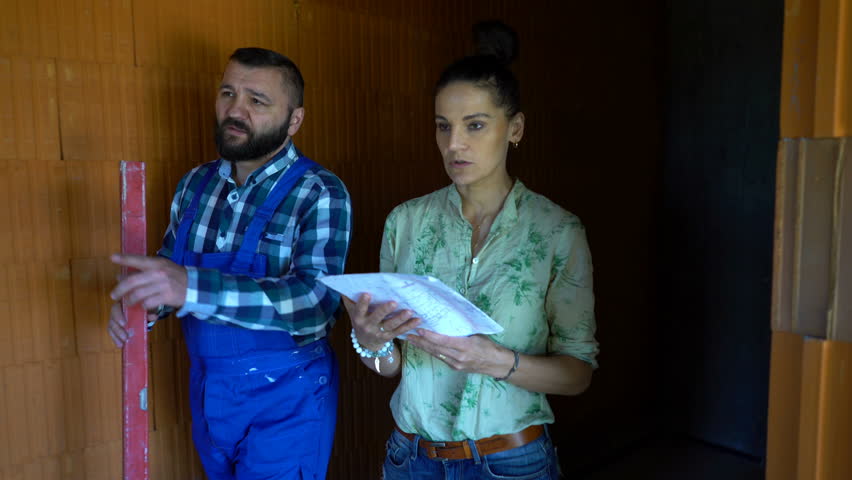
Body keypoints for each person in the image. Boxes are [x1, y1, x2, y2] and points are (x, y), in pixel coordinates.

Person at [343, 21, 598, 479]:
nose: (453, 144)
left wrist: (496, 362)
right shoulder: (405, 222)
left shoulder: (556, 231)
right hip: (410, 459)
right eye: (443, 127)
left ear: (515, 128)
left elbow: (577, 373)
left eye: (475, 125)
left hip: (512, 462)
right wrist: (372, 341)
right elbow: (390, 366)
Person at [107, 47, 352, 480]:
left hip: (288, 396)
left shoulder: (320, 192)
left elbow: (316, 304)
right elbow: (169, 273)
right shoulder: (194, 186)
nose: (235, 110)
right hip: (208, 388)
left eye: (257, 101)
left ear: (294, 120)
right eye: (227, 93)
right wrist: (142, 305)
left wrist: (190, 287)